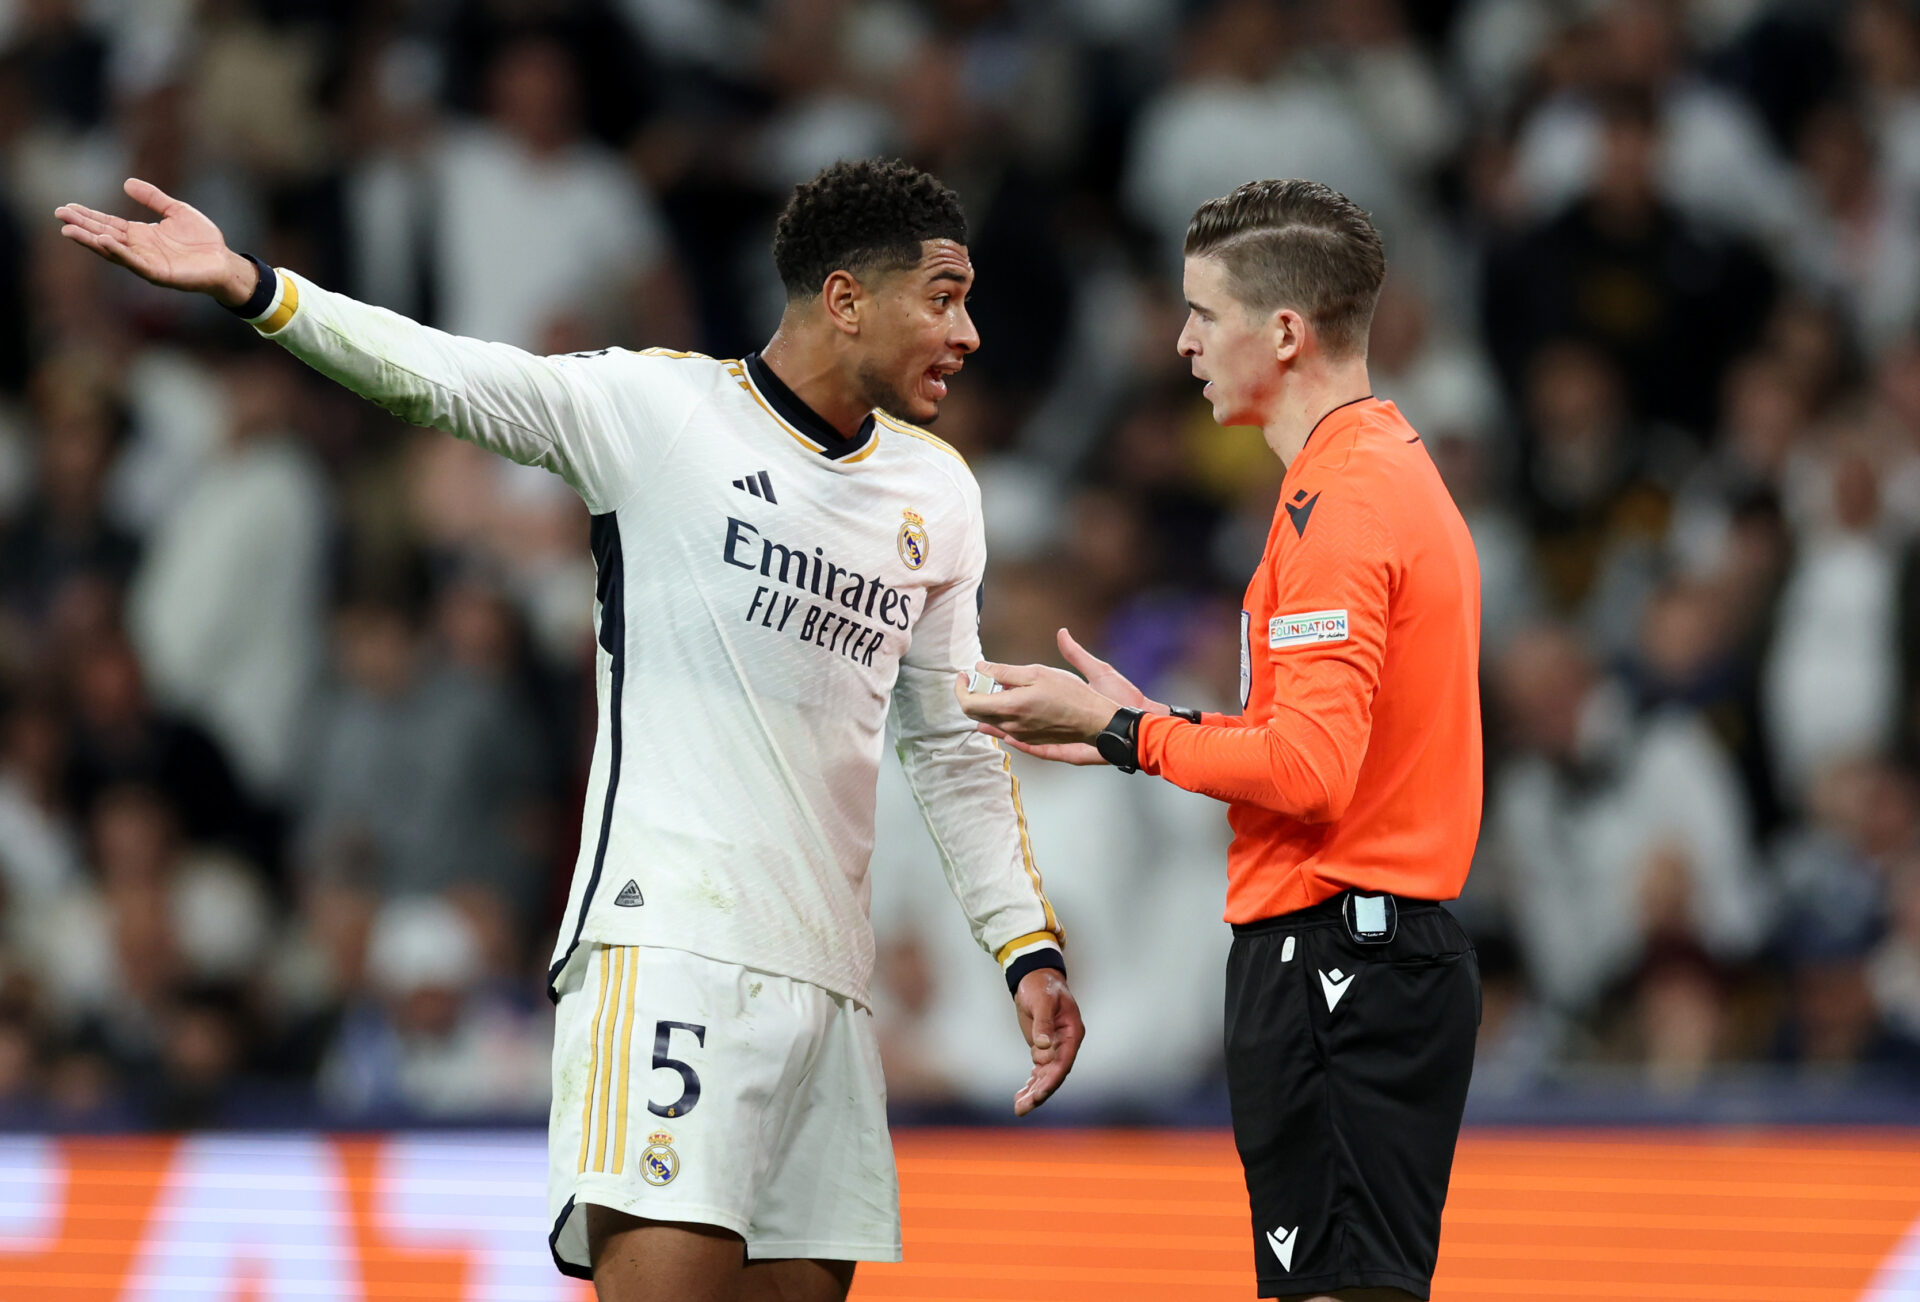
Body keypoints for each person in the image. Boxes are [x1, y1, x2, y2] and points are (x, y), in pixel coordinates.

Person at [56, 158, 1081, 1302]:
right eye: (943, 298)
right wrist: (254, 286)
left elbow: (949, 741)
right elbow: (443, 379)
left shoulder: (935, 495)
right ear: (845, 299)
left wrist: (1021, 945)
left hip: (828, 989)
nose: (971, 332)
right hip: (672, 953)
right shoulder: (660, 412)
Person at [960, 178, 1481, 1302]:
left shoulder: (1338, 503)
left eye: (1203, 312)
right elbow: (1316, 743)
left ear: (1285, 331)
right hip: (1365, 956)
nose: (1183, 340)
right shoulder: (1374, 474)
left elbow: (1307, 769)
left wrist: (1125, 730)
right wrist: (1138, 726)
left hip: (1340, 958)